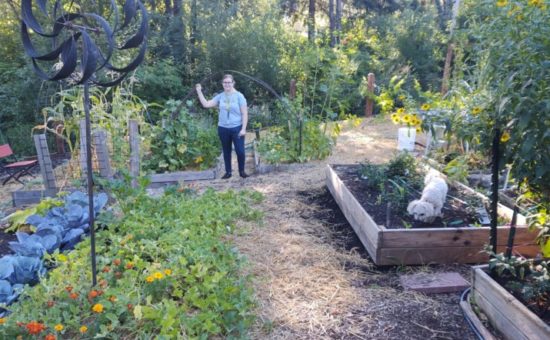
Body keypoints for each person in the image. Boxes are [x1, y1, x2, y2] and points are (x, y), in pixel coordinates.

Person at [196, 74, 249, 179]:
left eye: (229, 82)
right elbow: (206, 104)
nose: (227, 84)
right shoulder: (220, 96)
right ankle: (228, 172)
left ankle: (242, 171)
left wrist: (243, 129)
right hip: (223, 128)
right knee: (226, 151)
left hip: (237, 128)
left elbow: (244, 113)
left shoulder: (239, 96)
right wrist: (199, 91)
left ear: (233, 83)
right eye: (225, 82)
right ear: (222, 84)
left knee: (240, 151)